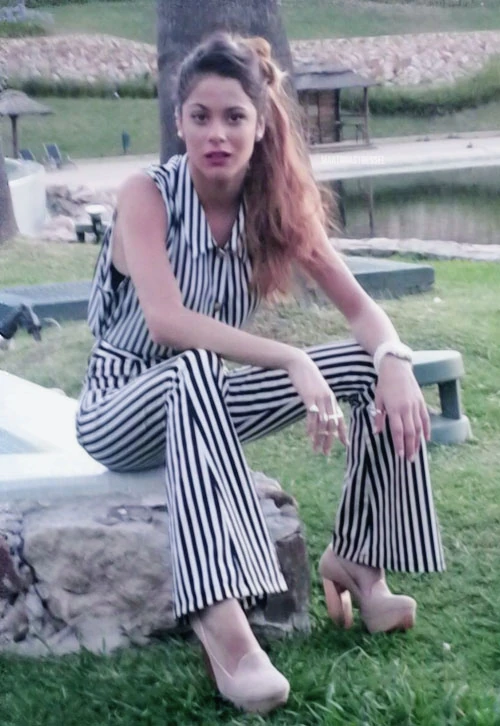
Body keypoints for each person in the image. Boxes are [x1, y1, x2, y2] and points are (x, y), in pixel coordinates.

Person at [76, 33, 445, 715]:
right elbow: (167, 323)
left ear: (262, 124)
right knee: (191, 367)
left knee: (371, 365)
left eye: (234, 116)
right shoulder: (147, 196)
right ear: (179, 121)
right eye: (200, 116)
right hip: (119, 408)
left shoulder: (272, 206)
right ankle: (227, 632)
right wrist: (292, 358)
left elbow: (362, 311)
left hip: (205, 404)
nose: (216, 133)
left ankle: (359, 559)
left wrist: (394, 360)